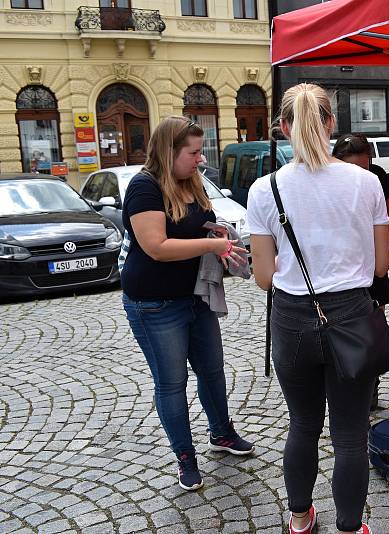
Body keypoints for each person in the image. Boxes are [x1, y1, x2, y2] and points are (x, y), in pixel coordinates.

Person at [247, 83, 389, 534]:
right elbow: (380, 265)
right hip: (351, 313)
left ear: (283, 127)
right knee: (350, 434)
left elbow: (264, 276)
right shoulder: (366, 182)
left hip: (291, 317)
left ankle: (299, 518)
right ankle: (350, 527)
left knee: (303, 424)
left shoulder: (263, 189)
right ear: (331, 123)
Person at [120, 116, 255, 492]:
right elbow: (157, 247)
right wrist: (212, 245)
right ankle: (185, 456)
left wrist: (216, 232)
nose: (200, 159)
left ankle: (222, 433)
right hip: (155, 304)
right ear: (169, 151)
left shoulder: (191, 182)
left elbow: (198, 225)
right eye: (193, 152)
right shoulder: (144, 188)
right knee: (172, 383)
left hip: (194, 297)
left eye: (200, 151)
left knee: (212, 370)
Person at [331, 133, 389, 412]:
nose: (361, 175)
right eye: (354, 168)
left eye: (365, 167)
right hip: (343, 266)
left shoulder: (377, 177)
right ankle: (342, 387)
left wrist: (382, 241)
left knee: (373, 328)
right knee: (342, 329)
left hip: (372, 264)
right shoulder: (329, 180)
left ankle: (370, 389)